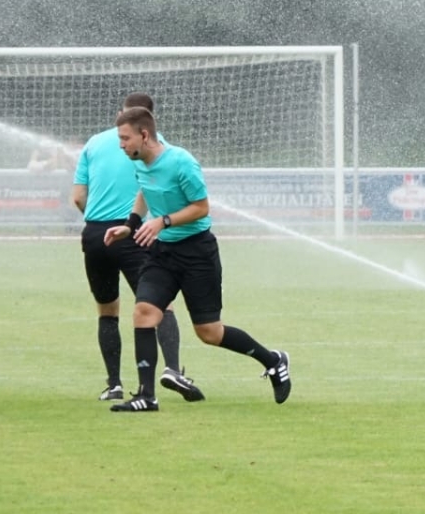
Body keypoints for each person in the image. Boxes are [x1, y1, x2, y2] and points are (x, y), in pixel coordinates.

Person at [102, 107, 289, 412]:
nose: (121, 145)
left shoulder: (181, 162)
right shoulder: (139, 162)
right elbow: (145, 192)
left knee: (209, 332)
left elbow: (201, 207)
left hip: (197, 253)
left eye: (125, 138)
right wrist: (130, 225)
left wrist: (163, 221)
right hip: (163, 253)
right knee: (144, 313)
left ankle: (273, 361)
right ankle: (146, 396)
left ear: (144, 135)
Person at [72, 93, 191, 404]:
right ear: (149, 122)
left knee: (107, 310)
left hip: (96, 234)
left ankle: (113, 384)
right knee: (161, 304)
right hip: (133, 232)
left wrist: (97, 223)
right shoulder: (155, 144)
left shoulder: (93, 143)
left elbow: (78, 197)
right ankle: (173, 370)